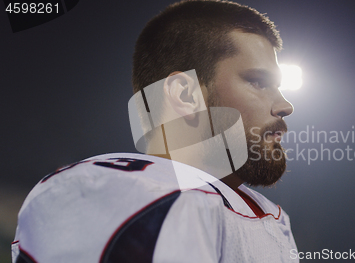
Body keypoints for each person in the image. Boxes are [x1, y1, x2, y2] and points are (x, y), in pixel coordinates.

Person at [11, 1, 297, 262]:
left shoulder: (265, 213)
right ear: (185, 95)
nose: (285, 106)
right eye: (259, 82)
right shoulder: (117, 192)